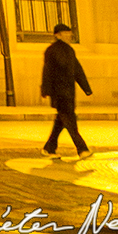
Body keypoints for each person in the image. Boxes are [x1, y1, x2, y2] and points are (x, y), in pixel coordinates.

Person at [41, 21, 92, 157]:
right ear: (58, 35)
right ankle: (82, 149)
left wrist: (86, 88)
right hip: (59, 92)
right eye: (66, 33)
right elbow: (47, 71)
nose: (69, 36)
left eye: (70, 33)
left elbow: (77, 69)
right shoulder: (51, 50)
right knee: (69, 120)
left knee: (61, 121)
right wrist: (45, 90)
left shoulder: (70, 50)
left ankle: (49, 148)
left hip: (69, 91)